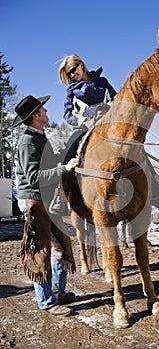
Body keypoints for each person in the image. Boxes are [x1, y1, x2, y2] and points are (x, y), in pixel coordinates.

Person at [12, 94, 80, 317]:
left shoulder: (39, 137)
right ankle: (47, 302)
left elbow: (48, 164)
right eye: (43, 110)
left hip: (47, 201)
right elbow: (33, 177)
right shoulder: (28, 142)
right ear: (35, 116)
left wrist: (69, 155)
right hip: (36, 202)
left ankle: (58, 293)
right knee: (40, 252)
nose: (47, 113)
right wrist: (64, 169)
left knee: (61, 245)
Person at [49, 55, 117, 214]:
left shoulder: (102, 81)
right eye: (69, 74)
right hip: (84, 128)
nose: (72, 75)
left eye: (73, 70)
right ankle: (61, 196)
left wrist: (107, 109)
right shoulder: (71, 91)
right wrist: (85, 118)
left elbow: (117, 99)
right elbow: (67, 116)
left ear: (81, 65)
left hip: (109, 123)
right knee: (68, 153)